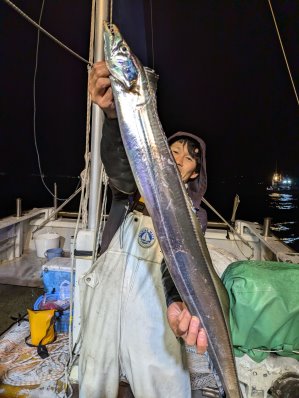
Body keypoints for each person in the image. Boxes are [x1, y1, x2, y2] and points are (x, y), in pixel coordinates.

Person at [79, 61, 213, 398]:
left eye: (189, 157)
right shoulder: (131, 190)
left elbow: (178, 267)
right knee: (94, 378)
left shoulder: (192, 218)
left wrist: (177, 300)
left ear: (195, 172)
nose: (179, 157)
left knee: (164, 383)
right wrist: (112, 118)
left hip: (154, 308)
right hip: (107, 296)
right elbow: (120, 168)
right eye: (174, 150)